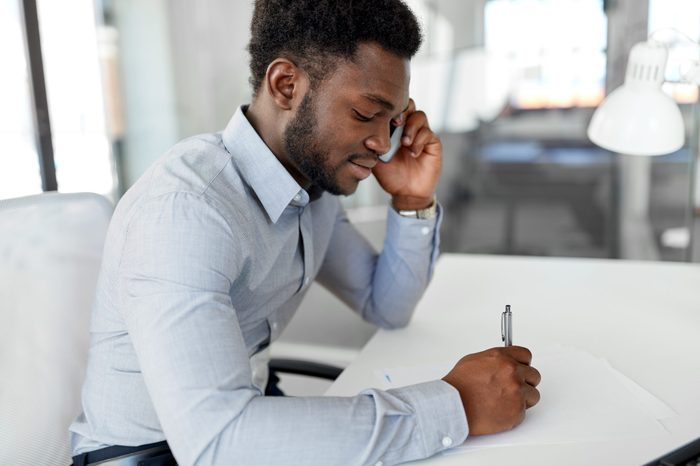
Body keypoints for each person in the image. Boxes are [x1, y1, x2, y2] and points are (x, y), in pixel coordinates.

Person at [69, 0, 541, 465]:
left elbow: (388, 306)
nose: (382, 144)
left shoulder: (308, 186)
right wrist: (455, 406)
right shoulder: (185, 213)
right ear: (286, 84)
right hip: (153, 453)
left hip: (246, 416)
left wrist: (411, 201)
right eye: (364, 114)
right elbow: (217, 442)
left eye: (393, 121)